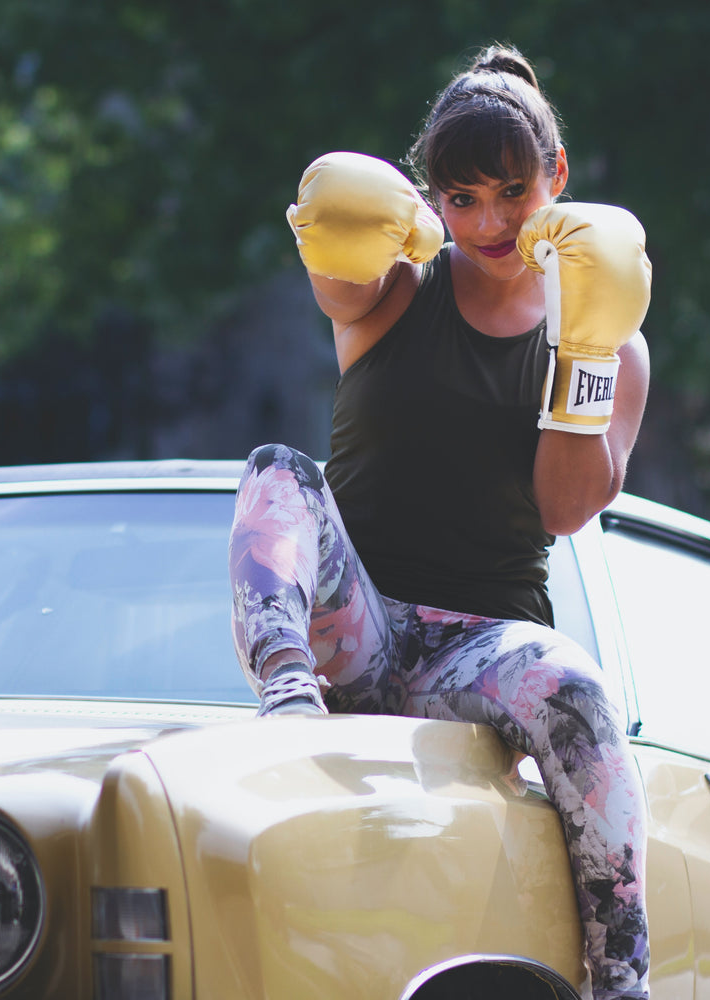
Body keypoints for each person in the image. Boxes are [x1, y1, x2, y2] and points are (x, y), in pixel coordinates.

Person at [227, 44, 652, 1000]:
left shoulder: (609, 342)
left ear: (559, 181)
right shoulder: (393, 293)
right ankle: (289, 705)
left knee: (579, 689)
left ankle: (623, 981)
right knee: (278, 473)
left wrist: (582, 350)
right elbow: (336, 257)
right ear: (428, 200)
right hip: (357, 623)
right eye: (461, 198)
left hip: (483, 644)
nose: (490, 221)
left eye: (512, 191)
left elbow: (564, 507)